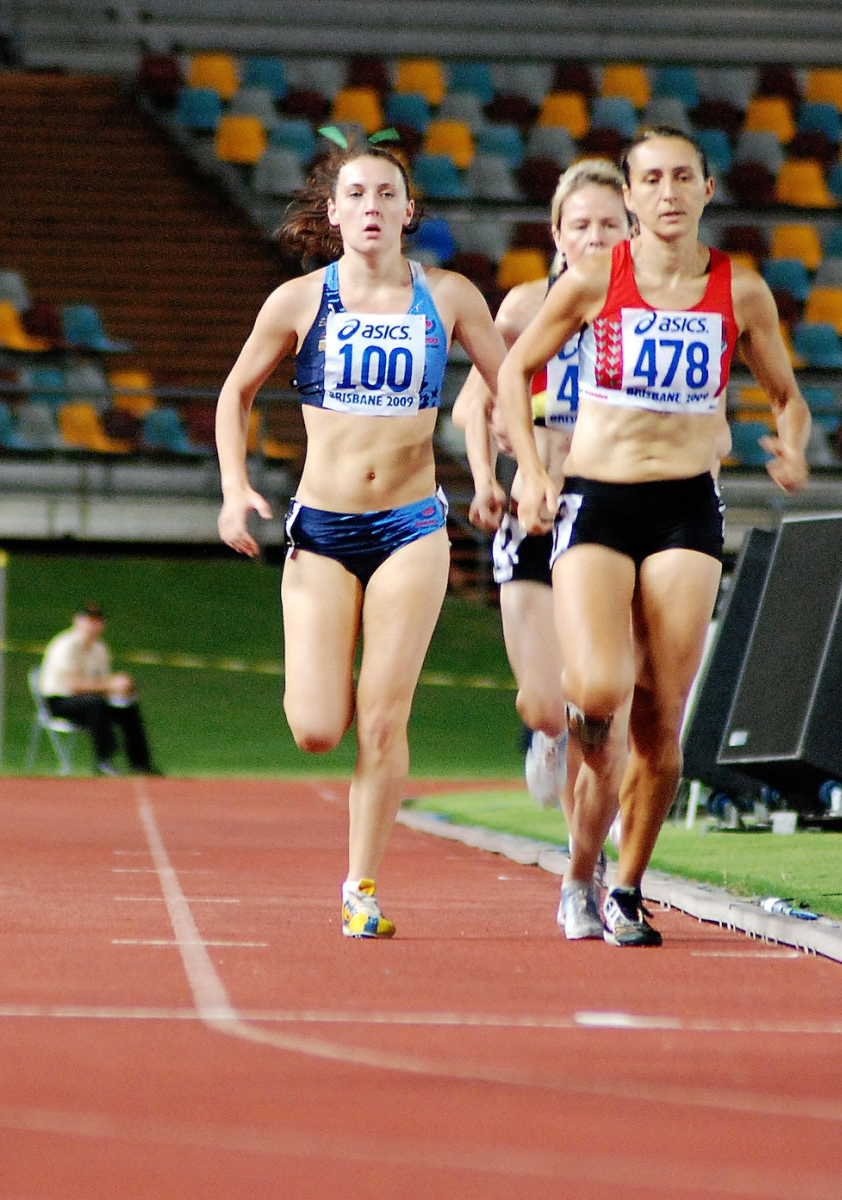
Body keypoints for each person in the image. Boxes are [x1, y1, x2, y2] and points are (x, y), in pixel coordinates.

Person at [216, 127, 534, 939]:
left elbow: (507, 388)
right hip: (322, 530)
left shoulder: (450, 296)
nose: (371, 206)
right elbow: (234, 393)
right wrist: (234, 488)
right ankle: (338, 746)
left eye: (385, 194)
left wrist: (526, 468)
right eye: (355, 194)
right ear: (332, 212)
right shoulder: (300, 300)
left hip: (412, 527)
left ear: (407, 213)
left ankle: (361, 885)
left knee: (384, 718)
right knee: (318, 727)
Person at [497, 126, 809, 947]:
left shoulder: (739, 292)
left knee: (659, 719)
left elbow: (785, 393)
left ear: (707, 190)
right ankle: (576, 872)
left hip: (685, 508)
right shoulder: (597, 278)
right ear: (629, 196)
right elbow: (510, 371)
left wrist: (792, 443)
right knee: (598, 692)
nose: (667, 193)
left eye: (682, 178)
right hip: (597, 501)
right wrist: (530, 471)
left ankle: (626, 886)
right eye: (650, 180)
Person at [450, 157, 636, 939]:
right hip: (530, 516)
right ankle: (541, 730)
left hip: (606, 514)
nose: (594, 236)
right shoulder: (527, 305)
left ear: (629, 231)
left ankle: (582, 874)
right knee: (543, 703)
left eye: (609, 223)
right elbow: (472, 402)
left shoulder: (644, 309)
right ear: (555, 234)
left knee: (595, 702)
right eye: (579, 224)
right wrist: (486, 478)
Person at [38, 602, 157, 776]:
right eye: (88, 620)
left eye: (97, 621)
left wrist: (121, 688)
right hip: (59, 701)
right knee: (96, 704)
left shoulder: (100, 649)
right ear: (77, 621)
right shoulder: (66, 646)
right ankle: (104, 759)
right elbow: (74, 686)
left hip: (90, 699)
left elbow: (100, 683)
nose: (93, 626)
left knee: (128, 708)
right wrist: (110, 685)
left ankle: (141, 763)